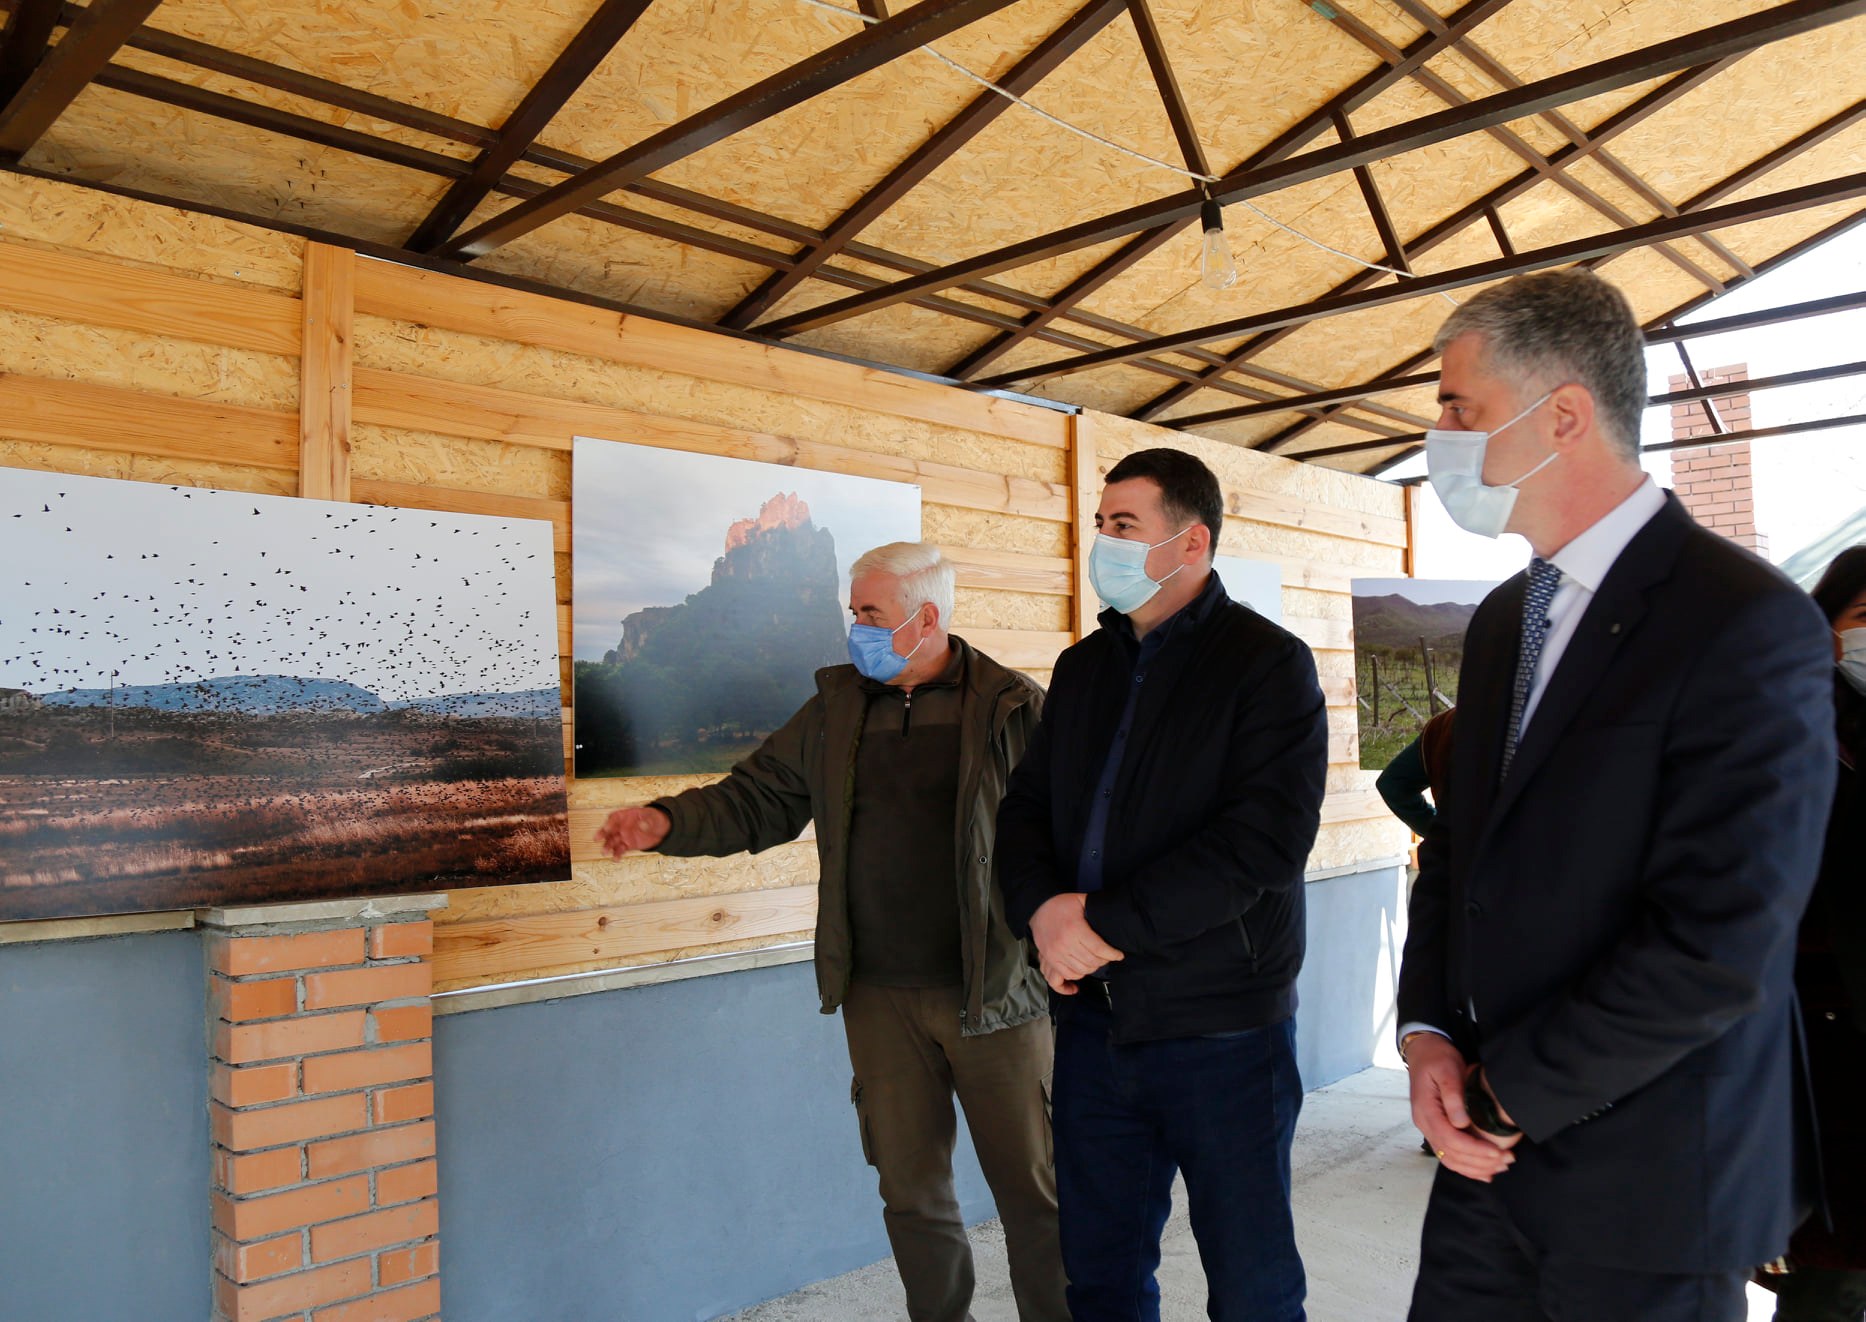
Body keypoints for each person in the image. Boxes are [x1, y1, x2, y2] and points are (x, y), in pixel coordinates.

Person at [1395, 269, 1837, 1322]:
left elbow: (1722, 937)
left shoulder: (1745, 619)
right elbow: (1459, 849)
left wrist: (1506, 1093)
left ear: (1564, 415)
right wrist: (1426, 1034)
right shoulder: (1505, 619)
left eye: (1459, 407)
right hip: (1482, 1175)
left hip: (1653, 1183)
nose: (1438, 437)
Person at [594, 541, 1067, 1322]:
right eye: (854, 613)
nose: (856, 630)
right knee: (911, 1195)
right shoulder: (835, 708)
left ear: (926, 618)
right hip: (878, 998)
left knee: (1037, 1195)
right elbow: (757, 798)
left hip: (996, 996)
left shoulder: (1015, 707)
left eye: (870, 614)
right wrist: (666, 822)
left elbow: (1068, 835)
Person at [995, 447, 1329, 1322]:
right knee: (1100, 1277)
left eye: (1123, 525)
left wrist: (1099, 925)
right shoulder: (1083, 669)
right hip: (1094, 1023)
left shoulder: (1268, 664)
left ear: (1192, 542)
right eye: (1100, 524)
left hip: (1223, 1029)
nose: (1102, 542)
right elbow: (1024, 811)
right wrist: (1041, 913)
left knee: (1252, 1286)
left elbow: (1262, 844)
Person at [1766, 546, 1866, 1321]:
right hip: (1823, 1029)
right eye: (1865, 615)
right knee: (1832, 1276)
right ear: (1824, 626)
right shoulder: (1788, 725)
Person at [1377, 707, 1456, 838]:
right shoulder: (1445, 724)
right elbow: (1392, 784)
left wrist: (1439, 834)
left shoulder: (1444, 723)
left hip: (1459, 846)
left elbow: (1392, 785)